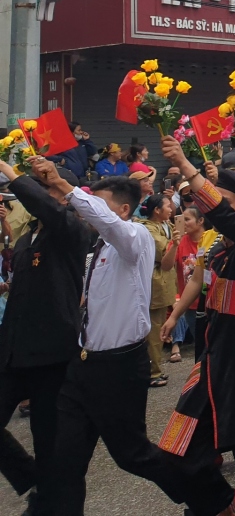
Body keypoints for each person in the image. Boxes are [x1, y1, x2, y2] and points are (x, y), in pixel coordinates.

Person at [48, 174, 206, 516]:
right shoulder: (98, 246)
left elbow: (106, 221)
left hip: (118, 367)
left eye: (99, 205)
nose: (90, 213)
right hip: (84, 362)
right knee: (65, 459)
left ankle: (214, 498)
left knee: (133, 455)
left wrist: (64, 185)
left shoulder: (134, 236)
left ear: (123, 209)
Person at [156, 136, 235, 516]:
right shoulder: (218, 251)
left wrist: (190, 169)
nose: (216, 209)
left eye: (227, 202)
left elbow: (224, 217)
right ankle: (222, 502)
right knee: (174, 452)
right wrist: (176, 314)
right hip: (212, 367)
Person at [0, 157, 90, 516]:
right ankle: (31, 477)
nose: (36, 195)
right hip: (14, 350)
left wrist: (10, 170)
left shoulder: (72, 230)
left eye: (46, 188)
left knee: (49, 441)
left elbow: (46, 207)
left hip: (52, 355)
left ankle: (48, 503)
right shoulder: (26, 239)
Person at [139, 193, 179, 387]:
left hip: (165, 282)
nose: (171, 209)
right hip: (155, 282)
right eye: (167, 206)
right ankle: (152, 372)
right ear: (156, 210)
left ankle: (155, 367)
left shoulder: (166, 226)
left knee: (159, 327)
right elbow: (164, 251)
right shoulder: (148, 229)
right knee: (154, 330)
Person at [170, 207, 206, 361]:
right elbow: (166, 266)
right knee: (201, 347)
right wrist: (175, 245)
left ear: (201, 221)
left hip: (210, 303)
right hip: (190, 306)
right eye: (181, 219)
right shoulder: (178, 242)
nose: (184, 223)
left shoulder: (211, 239)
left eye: (187, 219)